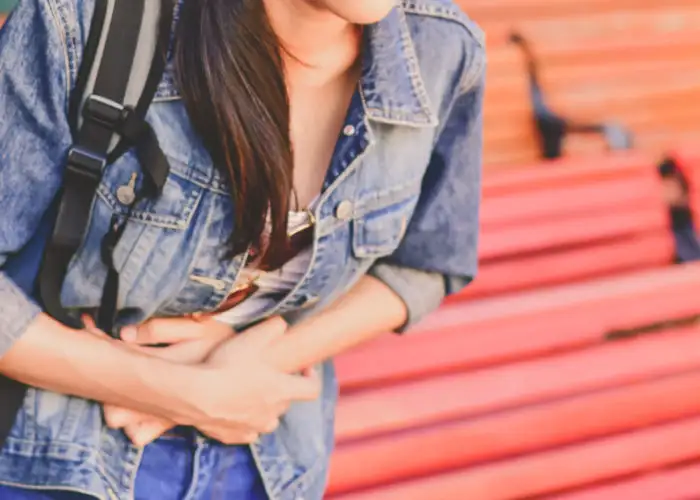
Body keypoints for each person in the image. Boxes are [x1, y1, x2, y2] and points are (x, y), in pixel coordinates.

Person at [0, 0, 485, 498]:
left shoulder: (442, 48)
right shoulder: (82, 23)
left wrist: (259, 360)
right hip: (55, 460)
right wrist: (184, 393)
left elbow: (427, 262)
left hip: (271, 460)